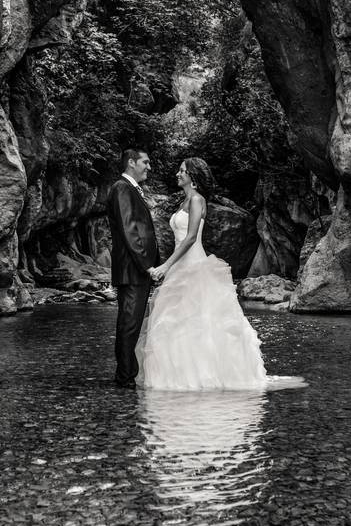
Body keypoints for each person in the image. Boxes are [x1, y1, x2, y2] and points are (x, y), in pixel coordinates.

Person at [135, 157, 268, 390]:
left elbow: (190, 237)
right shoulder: (184, 201)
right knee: (175, 322)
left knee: (199, 320)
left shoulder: (197, 200)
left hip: (193, 265)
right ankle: (175, 377)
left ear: (193, 177)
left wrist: (165, 266)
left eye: (182, 171)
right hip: (179, 267)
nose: (177, 174)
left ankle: (204, 377)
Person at [105, 148, 160, 389]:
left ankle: (127, 373)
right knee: (129, 323)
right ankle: (124, 377)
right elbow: (130, 230)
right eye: (145, 162)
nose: (149, 167)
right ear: (131, 163)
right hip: (132, 270)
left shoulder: (129, 189)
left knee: (132, 322)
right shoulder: (121, 188)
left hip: (135, 270)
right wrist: (147, 265)